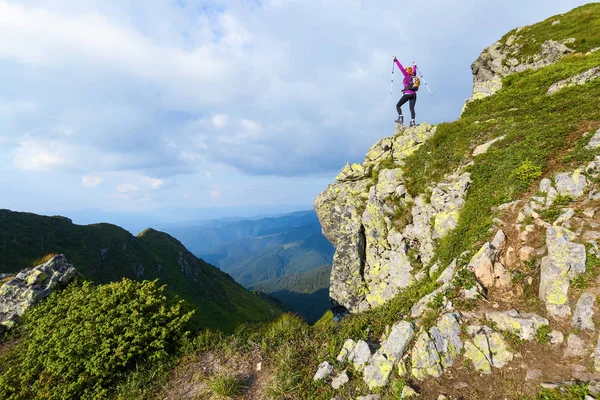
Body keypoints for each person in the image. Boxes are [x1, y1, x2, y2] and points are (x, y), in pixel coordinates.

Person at [393, 56, 418, 127]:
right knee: (412, 108)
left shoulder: (407, 75)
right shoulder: (413, 75)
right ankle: (412, 122)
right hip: (414, 94)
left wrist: (396, 60)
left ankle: (400, 118)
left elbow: (401, 68)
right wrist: (414, 66)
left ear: (407, 71)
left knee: (398, 105)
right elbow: (414, 71)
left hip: (408, 93)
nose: (405, 70)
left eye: (406, 70)